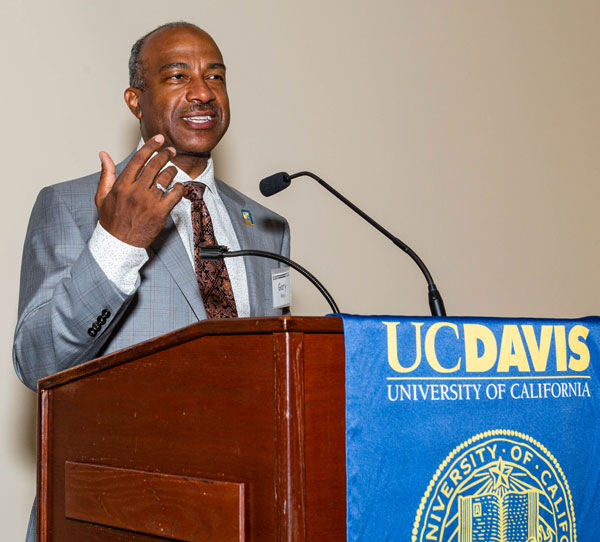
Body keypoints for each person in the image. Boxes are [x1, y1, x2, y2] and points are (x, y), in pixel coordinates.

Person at [13, 22, 289, 541]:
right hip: (114, 515)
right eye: (177, 75)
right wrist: (117, 245)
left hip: (241, 512)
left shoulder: (268, 225)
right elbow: (38, 362)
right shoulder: (70, 207)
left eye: (216, 76)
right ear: (136, 101)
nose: (203, 91)